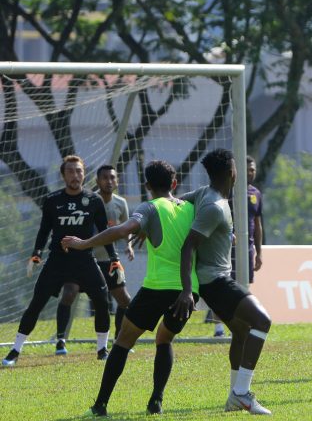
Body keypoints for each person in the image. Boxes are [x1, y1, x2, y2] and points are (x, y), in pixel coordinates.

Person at [61, 160, 199, 417]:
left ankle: (100, 405)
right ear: (174, 183)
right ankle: (156, 401)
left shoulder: (149, 207)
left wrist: (84, 243)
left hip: (157, 288)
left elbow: (123, 229)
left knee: (123, 341)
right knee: (164, 339)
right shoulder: (190, 208)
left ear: (147, 186)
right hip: (188, 291)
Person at [172, 148, 272, 415]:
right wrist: (186, 289)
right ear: (231, 172)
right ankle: (242, 393)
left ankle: (233, 397)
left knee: (241, 331)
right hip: (214, 280)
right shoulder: (214, 206)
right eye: (237, 166)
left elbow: (174, 203)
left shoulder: (204, 193)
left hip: (214, 280)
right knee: (262, 321)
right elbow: (189, 246)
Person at [2, 155, 114, 366]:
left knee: (102, 300)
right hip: (57, 262)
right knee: (36, 304)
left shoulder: (94, 200)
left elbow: (104, 231)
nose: (75, 175)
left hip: (85, 260)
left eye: (79, 171)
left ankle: (102, 350)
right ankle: (15, 350)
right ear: (63, 175)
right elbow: (44, 230)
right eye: (70, 171)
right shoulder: (53, 200)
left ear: (84, 174)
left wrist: (114, 258)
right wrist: (36, 254)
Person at [56, 165, 135, 346]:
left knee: (125, 301)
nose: (109, 181)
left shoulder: (120, 203)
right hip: (83, 261)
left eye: (112, 177)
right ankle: (60, 340)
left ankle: (118, 341)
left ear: (117, 181)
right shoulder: (87, 200)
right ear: (97, 181)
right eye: (105, 178)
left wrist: (129, 245)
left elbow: (126, 227)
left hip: (109, 261)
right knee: (69, 294)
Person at [210, 155, 264, 337]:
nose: (251, 172)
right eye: (247, 169)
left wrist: (259, 252)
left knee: (243, 287)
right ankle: (218, 328)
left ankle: (240, 325)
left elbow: (257, 224)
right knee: (221, 287)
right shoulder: (228, 191)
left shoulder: (256, 193)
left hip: (247, 249)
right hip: (226, 247)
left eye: (253, 169)